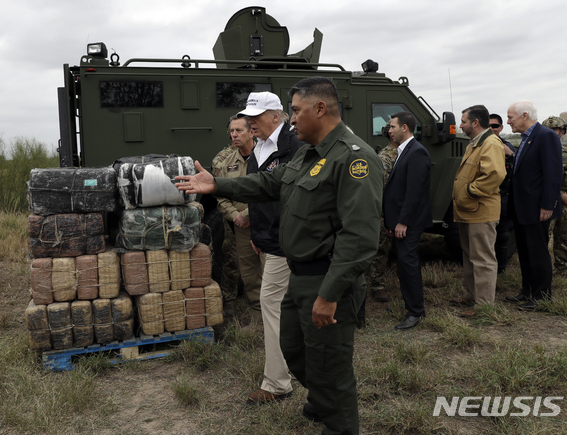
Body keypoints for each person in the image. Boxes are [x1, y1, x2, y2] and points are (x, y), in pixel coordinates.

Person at [176, 76, 383, 435]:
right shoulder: (308, 152)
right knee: (295, 350)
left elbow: (360, 238)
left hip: (325, 279)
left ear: (321, 109)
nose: (291, 119)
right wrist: (217, 184)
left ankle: (338, 422)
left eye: (297, 111)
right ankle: (319, 398)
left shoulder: (354, 159)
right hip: (298, 275)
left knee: (330, 368)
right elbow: (270, 184)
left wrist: (330, 295)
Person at [236, 92, 302, 405]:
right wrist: (259, 233)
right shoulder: (259, 149)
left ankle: (278, 383)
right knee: (284, 304)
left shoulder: (294, 146)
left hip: (291, 240)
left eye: (256, 117)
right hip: (272, 240)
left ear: (276, 116)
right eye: (248, 117)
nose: (250, 123)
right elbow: (261, 196)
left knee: (272, 302)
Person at [505, 101, 562, 311]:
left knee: (537, 252)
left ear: (524, 115)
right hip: (523, 208)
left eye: (511, 117)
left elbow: (553, 174)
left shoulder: (546, 136)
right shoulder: (526, 138)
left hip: (538, 209)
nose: (508, 121)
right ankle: (527, 291)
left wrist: (548, 205)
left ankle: (542, 296)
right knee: (526, 251)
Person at [450, 105, 506, 317]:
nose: (460, 125)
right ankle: (471, 295)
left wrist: (469, 192)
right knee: (470, 255)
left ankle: (483, 306)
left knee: (483, 259)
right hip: (469, 210)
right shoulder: (475, 143)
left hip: (480, 210)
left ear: (475, 123)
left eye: (463, 121)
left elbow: (494, 175)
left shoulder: (490, 143)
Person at [383, 112, 432, 330]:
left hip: (409, 222)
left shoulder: (417, 153)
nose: (389, 130)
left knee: (408, 265)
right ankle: (409, 305)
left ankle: (415, 312)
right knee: (403, 265)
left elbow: (414, 193)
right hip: (400, 222)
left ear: (405, 128)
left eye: (392, 126)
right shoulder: (404, 152)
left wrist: (402, 222)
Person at [214, 115, 264, 322]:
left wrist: (247, 214)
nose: (234, 135)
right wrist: (236, 216)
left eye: (239, 131)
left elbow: (272, 190)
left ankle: (279, 314)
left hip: (266, 222)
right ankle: (257, 315)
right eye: (232, 131)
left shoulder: (266, 157)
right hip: (242, 227)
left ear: (252, 132)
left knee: (271, 270)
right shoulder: (226, 163)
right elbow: (221, 196)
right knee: (249, 272)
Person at [542, 116, 567, 275]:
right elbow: (538, 180)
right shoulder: (539, 153)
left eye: (555, 130)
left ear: (562, 132)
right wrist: (560, 195)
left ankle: (563, 270)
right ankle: (542, 271)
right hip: (547, 203)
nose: (552, 133)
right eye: (548, 131)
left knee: (566, 237)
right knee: (543, 237)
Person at [364, 127, 398, 304]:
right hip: (382, 210)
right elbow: (379, 187)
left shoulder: (402, 152)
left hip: (394, 209)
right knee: (379, 248)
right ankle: (376, 285)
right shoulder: (386, 156)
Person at [489, 113, 516, 274]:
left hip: (503, 197)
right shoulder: (481, 146)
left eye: (495, 126)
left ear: (501, 128)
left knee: (503, 234)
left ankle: (501, 267)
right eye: (489, 126)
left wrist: (510, 155)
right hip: (485, 196)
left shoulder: (508, 147)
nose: (492, 129)